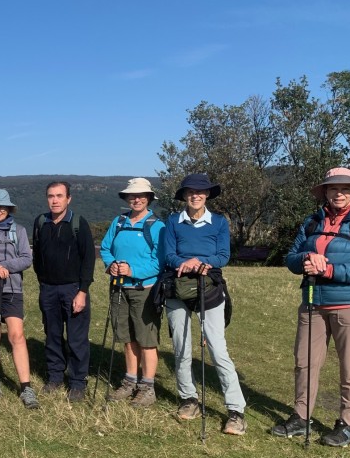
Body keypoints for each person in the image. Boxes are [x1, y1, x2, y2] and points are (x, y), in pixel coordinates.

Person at [273, 167, 350, 446]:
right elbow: (291, 257)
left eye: (345, 189)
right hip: (313, 302)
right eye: (333, 188)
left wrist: (329, 270)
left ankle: (347, 426)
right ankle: (301, 417)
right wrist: (306, 259)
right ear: (325, 192)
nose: (339, 193)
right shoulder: (313, 220)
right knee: (305, 362)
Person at [164, 173, 246, 435]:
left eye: (200, 192)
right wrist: (184, 263)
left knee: (217, 349)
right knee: (181, 347)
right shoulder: (173, 221)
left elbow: (223, 256)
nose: (195, 196)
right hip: (177, 288)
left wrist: (201, 262)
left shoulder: (219, 222)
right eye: (190, 192)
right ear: (184, 196)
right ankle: (189, 398)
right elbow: (168, 254)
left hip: (209, 288)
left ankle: (236, 411)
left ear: (207, 195)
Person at [99, 178, 165, 406]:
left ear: (149, 198)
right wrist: (111, 265)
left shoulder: (157, 226)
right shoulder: (119, 222)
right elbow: (106, 248)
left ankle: (148, 387)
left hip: (144, 290)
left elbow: (159, 262)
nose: (137, 199)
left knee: (146, 340)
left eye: (141, 196)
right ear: (127, 198)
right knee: (127, 338)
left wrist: (132, 270)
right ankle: (130, 382)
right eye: (132, 196)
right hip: (119, 288)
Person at [0, 189, 38, 409]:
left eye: (2, 207)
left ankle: (26, 387)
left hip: (12, 290)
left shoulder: (19, 231)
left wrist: (3, 267)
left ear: (9, 209)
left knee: (16, 335)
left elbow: (26, 258)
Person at [32, 181, 95, 402]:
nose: (55, 200)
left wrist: (82, 291)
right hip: (48, 288)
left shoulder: (78, 223)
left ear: (69, 199)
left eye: (59, 196)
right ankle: (55, 377)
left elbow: (89, 259)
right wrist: (42, 282)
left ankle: (77, 382)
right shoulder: (41, 222)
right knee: (52, 335)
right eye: (51, 196)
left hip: (73, 289)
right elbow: (37, 256)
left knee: (77, 338)